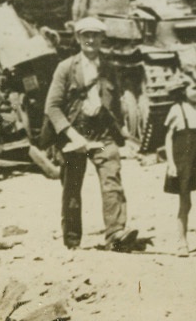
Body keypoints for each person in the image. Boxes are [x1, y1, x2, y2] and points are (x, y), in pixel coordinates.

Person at [43, 16, 135, 250]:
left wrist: (123, 131)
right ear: (78, 38)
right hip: (74, 135)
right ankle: (72, 241)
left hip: (101, 137)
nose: (91, 40)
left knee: (111, 177)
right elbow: (52, 107)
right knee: (72, 187)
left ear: (103, 38)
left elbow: (115, 104)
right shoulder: (66, 68)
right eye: (86, 35)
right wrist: (73, 136)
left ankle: (116, 233)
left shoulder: (109, 68)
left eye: (96, 35)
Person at [163, 74, 196, 255]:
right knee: (185, 203)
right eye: (194, 88)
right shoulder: (177, 109)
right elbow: (169, 138)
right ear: (183, 90)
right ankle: (182, 242)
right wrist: (171, 163)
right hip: (183, 161)